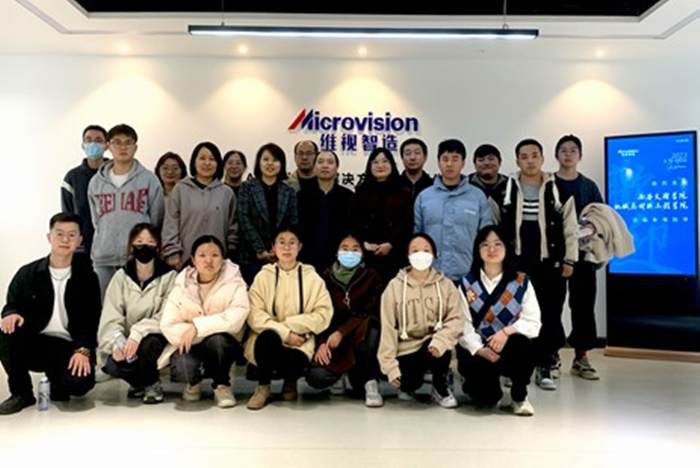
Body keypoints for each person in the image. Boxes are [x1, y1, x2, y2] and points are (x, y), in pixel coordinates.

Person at [0, 212, 101, 415]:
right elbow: (12, 303)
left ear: (80, 240)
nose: (65, 240)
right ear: (50, 237)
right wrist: (11, 313)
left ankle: (58, 381)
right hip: (36, 343)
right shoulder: (28, 273)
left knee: (80, 385)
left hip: (68, 345)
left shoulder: (87, 278)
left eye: (72, 235)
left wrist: (83, 349)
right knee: (5, 333)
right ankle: (21, 393)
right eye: (60, 234)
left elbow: (92, 319)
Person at [498, 138, 578, 391]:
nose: (530, 161)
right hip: (516, 264)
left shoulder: (559, 190)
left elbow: (571, 229)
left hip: (550, 265)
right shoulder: (505, 191)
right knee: (513, 315)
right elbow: (494, 228)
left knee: (549, 316)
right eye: (524, 156)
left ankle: (544, 365)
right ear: (517, 161)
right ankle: (513, 367)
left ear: (543, 159)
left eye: (534, 155)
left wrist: (569, 259)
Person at [457, 225, 542, 416]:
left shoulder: (521, 282)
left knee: (522, 344)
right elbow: (463, 325)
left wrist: (506, 332)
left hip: (509, 346)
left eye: (497, 244)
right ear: (477, 250)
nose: (491, 249)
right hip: (480, 349)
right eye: (485, 245)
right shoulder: (466, 283)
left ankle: (519, 397)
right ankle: (486, 387)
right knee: (486, 400)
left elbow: (533, 322)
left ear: (507, 248)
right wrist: (480, 350)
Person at [244, 228, 333, 410]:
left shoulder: (311, 277)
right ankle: (263, 388)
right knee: (267, 339)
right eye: (281, 242)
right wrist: (285, 333)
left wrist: (292, 328)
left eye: (292, 242)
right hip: (268, 338)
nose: (286, 247)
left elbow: (323, 313)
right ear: (273, 247)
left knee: (296, 357)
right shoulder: (263, 276)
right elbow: (254, 314)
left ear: (299, 247)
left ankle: (290, 382)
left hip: (300, 340)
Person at [160, 235, 250, 408]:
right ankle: (194, 383)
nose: (209, 260)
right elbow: (168, 324)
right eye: (202, 255)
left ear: (223, 259)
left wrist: (197, 327)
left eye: (215, 255)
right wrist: (201, 332)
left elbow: (236, 318)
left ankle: (222, 386)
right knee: (183, 363)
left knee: (217, 341)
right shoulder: (182, 284)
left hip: (222, 344)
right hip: (191, 344)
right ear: (193, 260)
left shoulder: (235, 282)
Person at [378, 233, 464, 408]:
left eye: (426, 250)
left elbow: (456, 318)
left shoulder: (446, 285)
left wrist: (441, 341)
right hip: (406, 350)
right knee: (409, 382)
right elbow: (388, 328)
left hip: (434, 346)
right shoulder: (394, 287)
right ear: (408, 255)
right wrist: (390, 367)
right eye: (415, 250)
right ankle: (407, 386)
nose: (420, 254)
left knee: (442, 346)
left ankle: (440, 388)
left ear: (433, 254)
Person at [97, 223, 177, 404]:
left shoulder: (170, 277)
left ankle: (151, 384)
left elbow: (167, 315)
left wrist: (139, 332)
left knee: (150, 344)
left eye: (150, 242)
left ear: (158, 247)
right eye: (139, 242)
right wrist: (116, 343)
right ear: (131, 246)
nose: (144, 247)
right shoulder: (121, 277)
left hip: (156, 336)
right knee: (113, 365)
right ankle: (138, 382)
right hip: (127, 341)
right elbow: (111, 316)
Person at [306, 234, 385, 407]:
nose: (350, 253)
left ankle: (370, 381)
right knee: (316, 377)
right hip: (332, 341)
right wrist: (321, 342)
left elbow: (371, 311)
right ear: (336, 252)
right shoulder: (324, 278)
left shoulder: (371, 277)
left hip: (360, 338)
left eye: (355, 249)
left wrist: (341, 332)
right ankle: (340, 376)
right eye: (345, 248)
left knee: (373, 329)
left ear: (362, 254)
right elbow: (317, 313)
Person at [87, 123, 165, 298]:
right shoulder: (96, 182)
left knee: (136, 305)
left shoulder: (149, 179)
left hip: (138, 256)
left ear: (135, 147)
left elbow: (157, 218)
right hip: (104, 257)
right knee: (106, 305)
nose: (123, 147)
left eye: (128, 142)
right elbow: (96, 220)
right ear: (108, 146)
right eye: (117, 142)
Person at [554, 134, 605, 381]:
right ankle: (550, 356)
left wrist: (591, 227)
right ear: (556, 155)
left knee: (583, 307)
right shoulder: (549, 183)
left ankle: (581, 357)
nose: (568, 154)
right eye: (563, 150)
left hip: (584, 257)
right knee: (551, 307)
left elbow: (601, 216)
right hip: (554, 255)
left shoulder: (589, 186)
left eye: (573, 150)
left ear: (580, 155)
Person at [415, 139, 494, 283]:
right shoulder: (424, 197)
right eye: (445, 159)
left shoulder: (477, 197)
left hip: (469, 275)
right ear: (438, 162)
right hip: (431, 275)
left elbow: (487, 237)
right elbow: (416, 236)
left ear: (463, 163)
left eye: (455, 159)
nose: (449, 164)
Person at [162, 142, 238, 271]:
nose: (207, 163)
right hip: (185, 260)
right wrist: (172, 253)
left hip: (217, 262)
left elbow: (233, 228)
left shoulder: (227, 193)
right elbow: (171, 223)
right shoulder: (180, 189)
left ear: (218, 164)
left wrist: (230, 253)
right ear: (194, 162)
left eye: (212, 159)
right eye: (202, 158)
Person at [238, 143, 299, 285]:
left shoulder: (289, 191)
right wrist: (260, 250)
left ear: (281, 164)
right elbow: (244, 219)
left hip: (281, 257)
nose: (270, 163)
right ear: (258, 162)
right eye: (266, 159)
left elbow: (292, 222)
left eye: (275, 160)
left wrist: (278, 248)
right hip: (251, 257)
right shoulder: (247, 188)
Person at [351, 147, 413, 283]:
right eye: (375, 162)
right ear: (369, 166)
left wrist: (391, 244)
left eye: (385, 161)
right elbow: (354, 221)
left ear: (392, 164)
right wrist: (364, 244)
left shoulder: (404, 192)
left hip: (395, 254)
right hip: (368, 255)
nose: (380, 165)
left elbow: (406, 222)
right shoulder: (361, 192)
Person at [298, 150, 354, 273]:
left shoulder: (348, 196)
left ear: (337, 168)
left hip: (339, 259)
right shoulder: (302, 195)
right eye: (320, 162)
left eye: (330, 162)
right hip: (307, 258)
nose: (325, 166)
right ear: (314, 167)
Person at [61, 124, 109, 255]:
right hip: (83, 247)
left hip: (112, 246)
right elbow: (67, 215)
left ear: (106, 146)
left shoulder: (115, 175)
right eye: (88, 140)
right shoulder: (72, 178)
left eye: (98, 140)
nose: (93, 144)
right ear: (83, 145)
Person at [468, 143, 509, 211]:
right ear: (474, 164)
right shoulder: (465, 185)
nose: (486, 163)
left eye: (491, 159)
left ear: (500, 162)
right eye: (481, 160)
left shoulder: (510, 185)